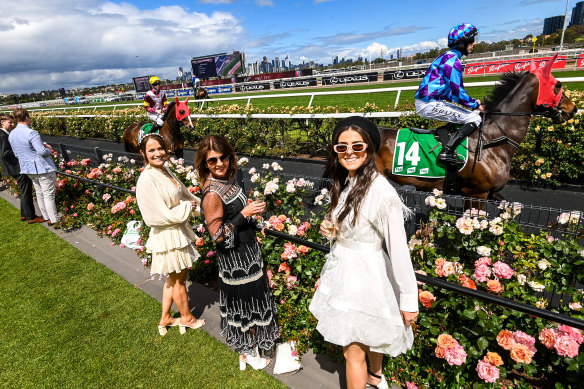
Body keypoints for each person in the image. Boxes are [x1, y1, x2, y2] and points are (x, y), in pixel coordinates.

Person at [309, 116, 419, 389]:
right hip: (346, 271)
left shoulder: (382, 192)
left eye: (357, 146)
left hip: (367, 276)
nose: (349, 153)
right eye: (342, 147)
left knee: (352, 351)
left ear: (370, 148)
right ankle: (375, 377)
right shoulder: (349, 181)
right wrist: (332, 229)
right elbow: (353, 226)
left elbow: (398, 249)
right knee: (370, 331)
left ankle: (373, 376)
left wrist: (408, 299)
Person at [196, 135, 279, 370]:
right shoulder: (212, 193)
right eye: (212, 161)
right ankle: (247, 351)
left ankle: (254, 345)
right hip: (236, 261)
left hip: (249, 254)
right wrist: (245, 214)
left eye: (223, 157)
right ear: (205, 164)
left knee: (254, 302)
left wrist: (253, 219)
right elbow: (218, 236)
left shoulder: (229, 180)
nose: (219, 163)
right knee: (245, 305)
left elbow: (236, 217)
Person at [135, 133, 205, 336]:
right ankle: (187, 318)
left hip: (175, 233)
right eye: (151, 150)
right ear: (143, 153)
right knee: (179, 280)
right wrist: (187, 207)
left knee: (172, 280)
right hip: (168, 237)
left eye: (160, 148)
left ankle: (165, 317)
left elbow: (185, 194)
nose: (157, 153)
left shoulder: (165, 170)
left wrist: (206, 206)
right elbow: (155, 217)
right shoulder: (147, 179)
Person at [415, 23, 485, 163]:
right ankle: (446, 152)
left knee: (471, 115)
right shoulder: (452, 61)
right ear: (462, 43)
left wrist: (473, 102)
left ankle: (447, 138)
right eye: (471, 40)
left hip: (431, 101)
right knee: (475, 119)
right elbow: (457, 92)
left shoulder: (448, 57)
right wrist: (474, 105)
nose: (474, 43)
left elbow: (451, 93)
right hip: (428, 104)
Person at [9, 108, 60, 228]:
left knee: (40, 193)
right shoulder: (31, 132)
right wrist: (49, 149)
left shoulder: (12, 134)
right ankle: (54, 219)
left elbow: (17, 153)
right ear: (26, 118)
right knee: (48, 195)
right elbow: (42, 152)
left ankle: (47, 216)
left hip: (28, 169)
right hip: (42, 168)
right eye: (29, 117)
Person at [0, 114, 43, 224]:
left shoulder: (4, 134)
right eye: (10, 122)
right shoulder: (2, 135)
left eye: (13, 122)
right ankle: (31, 217)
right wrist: (19, 151)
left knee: (24, 190)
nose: (12, 124)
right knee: (26, 191)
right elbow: (5, 153)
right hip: (15, 167)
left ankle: (24, 214)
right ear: (2, 123)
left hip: (12, 167)